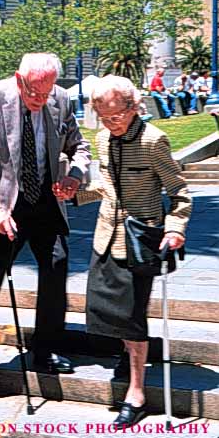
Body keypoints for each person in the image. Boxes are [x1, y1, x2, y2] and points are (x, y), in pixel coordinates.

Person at [0, 52, 91, 413]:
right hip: (2, 207)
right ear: (19, 80)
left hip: (45, 202)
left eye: (47, 93)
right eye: (34, 93)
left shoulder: (60, 99)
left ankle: (44, 352)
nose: (41, 100)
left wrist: (75, 176)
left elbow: (81, 146)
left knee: (57, 269)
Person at [86, 75, 191, 429]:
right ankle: (132, 354)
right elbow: (107, 186)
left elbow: (180, 192)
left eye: (116, 116)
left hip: (140, 241)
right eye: (103, 117)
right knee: (106, 311)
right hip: (105, 236)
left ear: (134, 108)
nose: (110, 124)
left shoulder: (152, 141)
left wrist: (175, 228)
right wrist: (75, 193)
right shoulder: (102, 138)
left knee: (131, 318)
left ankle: (137, 393)